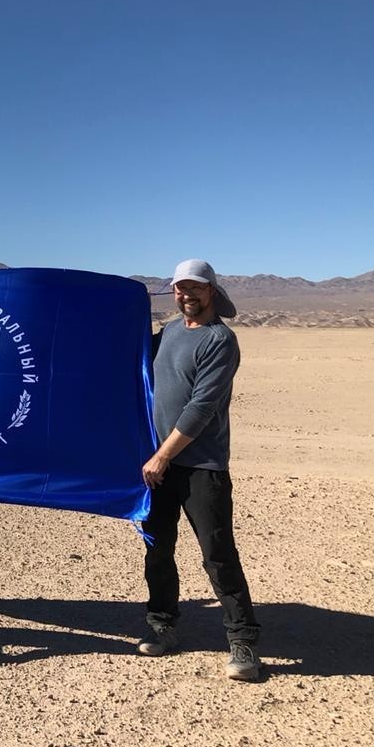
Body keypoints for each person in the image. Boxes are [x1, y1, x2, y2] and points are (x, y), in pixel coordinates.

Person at [139, 259, 262, 681]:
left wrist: (163, 455)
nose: (187, 296)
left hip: (199, 465)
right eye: (180, 289)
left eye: (196, 288)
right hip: (158, 465)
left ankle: (242, 640)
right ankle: (162, 624)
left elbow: (201, 408)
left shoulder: (220, 340)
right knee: (157, 549)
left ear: (212, 291)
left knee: (218, 554)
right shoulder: (169, 333)